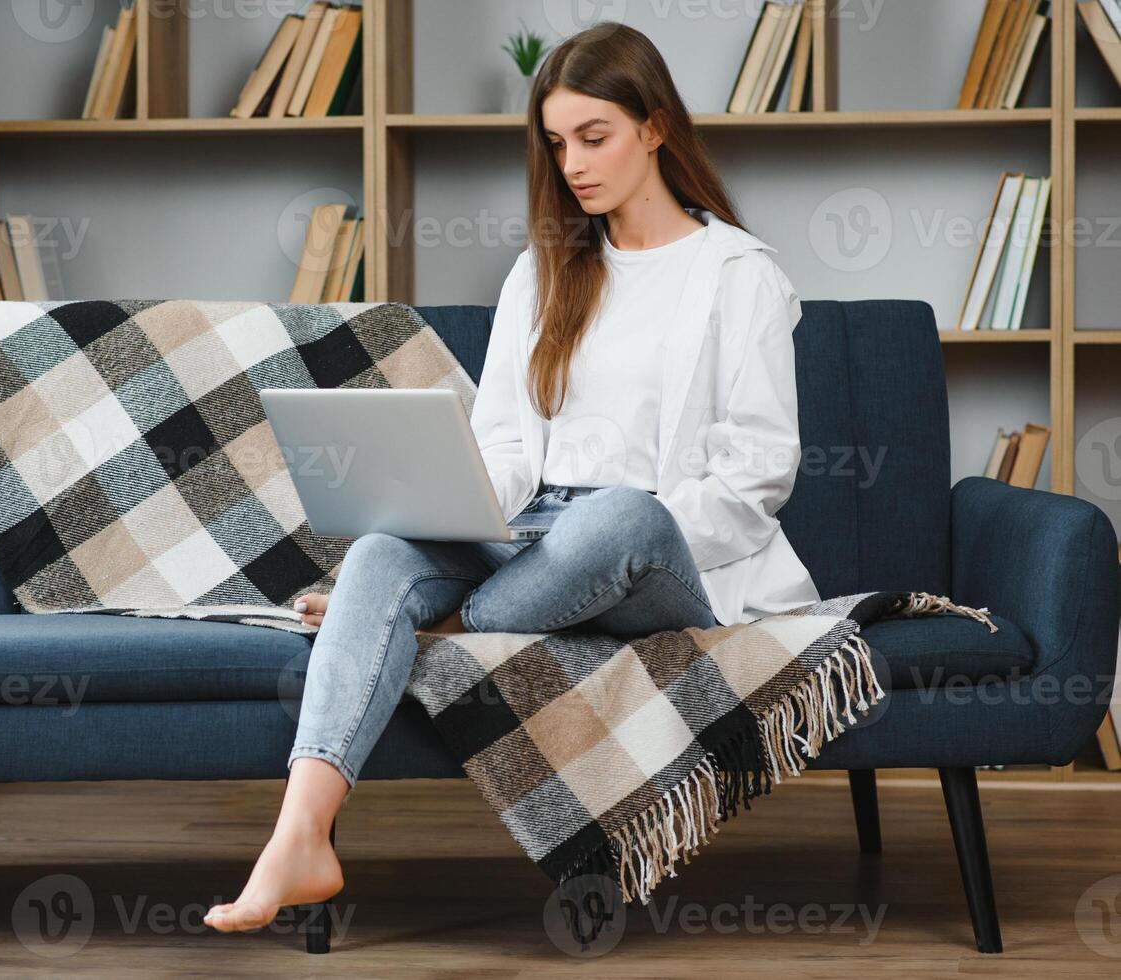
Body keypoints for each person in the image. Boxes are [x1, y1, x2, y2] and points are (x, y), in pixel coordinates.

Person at [204, 20, 820, 933]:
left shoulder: (738, 274)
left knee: (616, 518)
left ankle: (443, 624)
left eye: (594, 136)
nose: (572, 162)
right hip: (532, 540)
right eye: (556, 142)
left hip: (655, 552)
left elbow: (759, 470)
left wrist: (602, 528)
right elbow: (501, 444)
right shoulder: (541, 273)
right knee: (378, 553)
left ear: (655, 129)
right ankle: (301, 838)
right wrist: (453, 509)